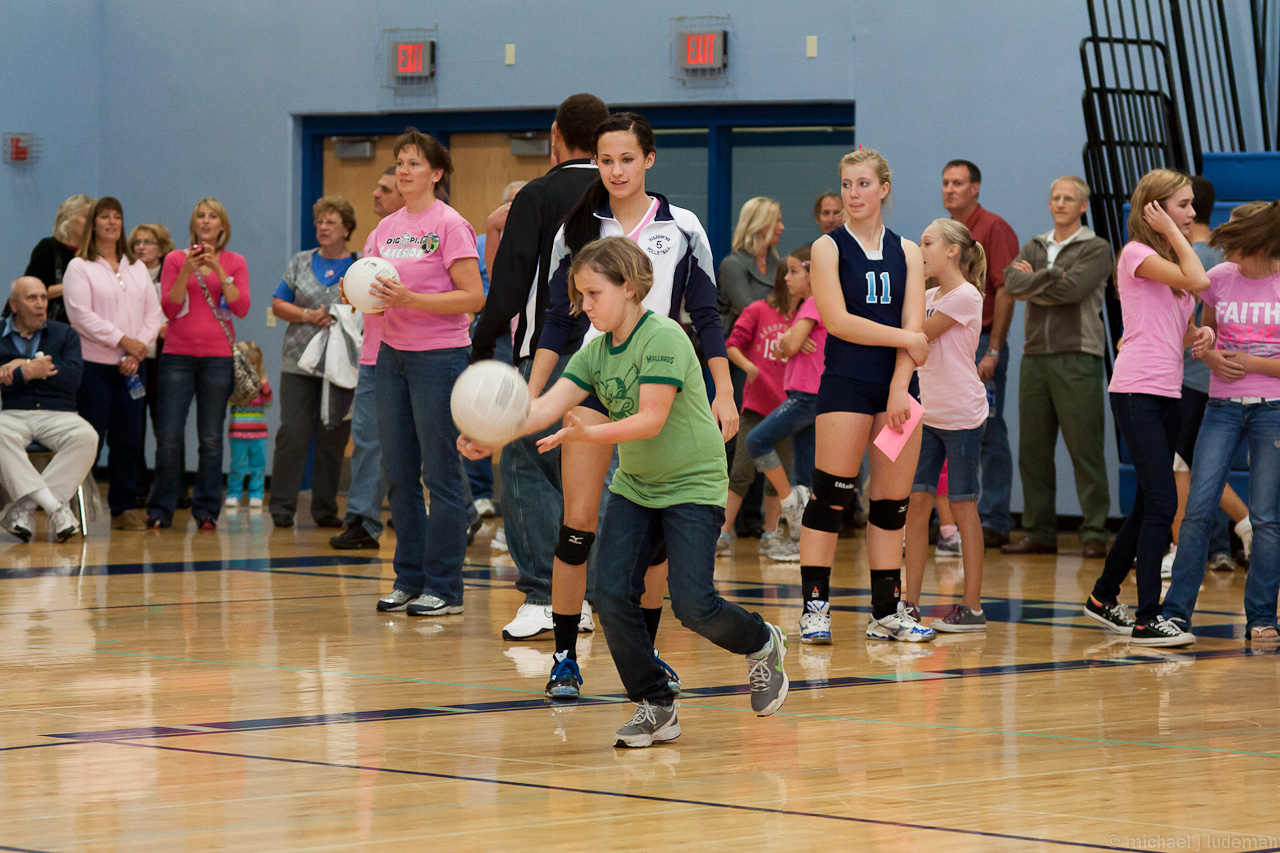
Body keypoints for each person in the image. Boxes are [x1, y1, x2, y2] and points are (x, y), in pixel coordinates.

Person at [459, 237, 788, 747]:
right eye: (580, 295)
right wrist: (493, 434)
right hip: (638, 488)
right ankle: (655, 702)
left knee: (694, 605)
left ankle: (762, 640)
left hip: (693, 485)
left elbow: (651, 419)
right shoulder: (594, 352)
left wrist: (587, 435)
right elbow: (544, 407)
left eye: (594, 294)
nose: (584, 306)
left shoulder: (665, 337)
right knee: (612, 596)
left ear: (630, 288)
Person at [529, 112, 738, 698]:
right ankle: (564, 656)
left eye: (627, 158)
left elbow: (706, 315)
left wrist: (723, 391)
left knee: (654, 536)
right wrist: (533, 395)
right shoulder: (576, 229)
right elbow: (556, 320)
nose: (616, 170)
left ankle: (643, 658)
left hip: (658, 384)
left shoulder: (683, 226)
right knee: (579, 523)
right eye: (605, 160)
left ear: (649, 159)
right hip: (593, 380)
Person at [468, 93, 611, 635]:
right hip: (615, 356)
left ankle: (544, 596)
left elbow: (508, 281)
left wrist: (482, 345)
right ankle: (593, 596)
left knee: (525, 463)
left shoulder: (539, 193)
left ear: (556, 135)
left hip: (548, 354)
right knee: (597, 472)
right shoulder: (623, 194)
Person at [795, 148, 932, 645]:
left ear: (884, 189)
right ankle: (815, 608)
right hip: (847, 383)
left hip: (898, 385)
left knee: (891, 505)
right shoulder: (827, 248)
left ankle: (886, 613)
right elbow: (838, 321)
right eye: (846, 184)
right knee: (831, 497)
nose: (852, 194)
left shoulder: (908, 250)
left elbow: (914, 321)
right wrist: (907, 339)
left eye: (862, 184)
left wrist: (899, 385)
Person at [1081, 169, 1211, 647]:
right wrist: (1174, 232)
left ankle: (1103, 596)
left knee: (1146, 504)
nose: (1192, 213)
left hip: (1167, 392)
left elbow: (1178, 328)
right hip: (1136, 390)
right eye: (1182, 205)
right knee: (1163, 501)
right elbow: (1199, 278)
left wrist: (1200, 334)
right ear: (1155, 209)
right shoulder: (1136, 253)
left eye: (1192, 205)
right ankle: (1147, 617)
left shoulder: (1170, 263)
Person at [364, 128, 484, 617]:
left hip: (439, 357)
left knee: (441, 474)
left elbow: (473, 297)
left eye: (413, 163)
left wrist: (411, 299)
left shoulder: (450, 224)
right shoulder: (385, 228)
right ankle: (408, 580)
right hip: (390, 355)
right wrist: (356, 296)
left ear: (436, 173)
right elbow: (369, 284)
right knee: (398, 474)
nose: (403, 171)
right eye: (399, 163)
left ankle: (445, 588)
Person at [1162, 201, 1280, 642]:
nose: (1225, 248)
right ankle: (1176, 614)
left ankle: (1262, 617)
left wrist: (1250, 363)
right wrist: (1209, 354)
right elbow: (1204, 333)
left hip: (1273, 409)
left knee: (1266, 518)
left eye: (1235, 240)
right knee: (1197, 508)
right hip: (1222, 407)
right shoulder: (1219, 278)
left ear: (1258, 243)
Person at [1001, 176, 1114, 558]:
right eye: (1056, 197)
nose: (1061, 203)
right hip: (1034, 355)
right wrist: (1048, 277)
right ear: (1049, 203)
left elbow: (1073, 291)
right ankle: (1039, 531)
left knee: (1086, 449)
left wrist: (1033, 281)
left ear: (1083, 205)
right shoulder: (1035, 244)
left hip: (1078, 354)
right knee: (1032, 451)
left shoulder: (1096, 247)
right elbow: (1011, 283)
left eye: (1069, 198)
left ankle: (1094, 531)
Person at [903, 220, 990, 632]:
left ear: (952, 251)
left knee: (962, 505)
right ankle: (909, 604)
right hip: (928, 414)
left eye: (927, 243)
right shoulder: (927, 295)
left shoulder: (966, 296)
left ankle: (972, 607)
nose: (920, 250)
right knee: (916, 503)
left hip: (961, 415)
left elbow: (918, 336)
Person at [1164, 176, 1251, 575]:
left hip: (1196, 376)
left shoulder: (1193, 259)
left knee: (1185, 464)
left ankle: (1231, 529)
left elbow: (1189, 323)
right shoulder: (1225, 255)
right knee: (1189, 463)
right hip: (1211, 375)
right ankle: (1207, 543)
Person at [146, 198, 250, 531]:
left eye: (212, 216)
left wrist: (219, 270)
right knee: (168, 437)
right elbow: (170, 308)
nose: (206, 221)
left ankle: (206, 510)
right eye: (200, 216)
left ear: (222, 226)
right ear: (193, 224)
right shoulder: (175, 259)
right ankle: (161, 508)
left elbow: (241, 308)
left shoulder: (235, 262)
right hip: (177, 356)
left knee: (211, 438)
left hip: (218, 358)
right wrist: (186, 271)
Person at [62, 197, 163, 531]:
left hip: (133, 366)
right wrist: (123, 340)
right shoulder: (80, 266)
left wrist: (137, 350)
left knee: (129, 440)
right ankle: (73, 505)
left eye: (117, 217)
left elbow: (153, 313)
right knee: (89, 438)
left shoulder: (136, 267)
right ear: (93, 224)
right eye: (104, 216)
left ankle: (123, 507)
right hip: (94, 367)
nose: (111, 222)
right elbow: (81, 316)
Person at [941, 160, 1019, 548]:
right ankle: (949, 522)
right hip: (945, 344)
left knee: (988, 429)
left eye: (958, 183)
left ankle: (994, 518)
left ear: (975, 188)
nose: (949, 189)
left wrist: (994, 349)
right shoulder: (944, 232)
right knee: (944, 429)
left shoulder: (993, 227)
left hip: (980, 342)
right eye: (945, 183)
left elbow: (1005, 289)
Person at [269, 195, 359, 529]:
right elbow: (279, 304)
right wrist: (308, 314)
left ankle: (325, 509)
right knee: (292, 433)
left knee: (332, 438)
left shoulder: (360, 264)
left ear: (346, 228)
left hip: (342, 366)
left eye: (331, 222)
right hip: (298, 363)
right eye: (319, 221)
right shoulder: (300, 262)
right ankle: (281, 507)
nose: (323, 227)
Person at [331, 168, 403, 550]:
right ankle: (361, 520)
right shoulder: (376, 236)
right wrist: (353, 293)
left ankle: (466, 515)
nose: (375, 193)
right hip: (374, 355)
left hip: (417, 355)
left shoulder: (431, 232)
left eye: (385, 188)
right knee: (366, 441)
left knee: (427, 443)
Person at [743, 245, 827, 561]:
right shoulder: (810, 306)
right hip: (804, 394)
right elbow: (785, 346)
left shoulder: (814, 303)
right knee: (806, 474)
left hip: (808, 394)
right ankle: (801, 541)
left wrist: (789, 340)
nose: (786, 278)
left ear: (811, 274)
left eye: (793, 271)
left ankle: (788, 501)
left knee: (756, 440)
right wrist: (788, 341)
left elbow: (788, 346)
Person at [0, 277, 96, 541]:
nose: (41, 304)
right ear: (14, 305)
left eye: (44, 297)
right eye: (32, 298)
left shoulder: (65, 333)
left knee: (86, 436)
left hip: (59, 412)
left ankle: (23, 509)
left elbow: (72, 379)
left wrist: (20, 367)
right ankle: (56, 508)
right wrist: (27, 372)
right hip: (13, 413)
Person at [722, 258, 798, 561]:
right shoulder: (758, 310)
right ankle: (722, 532)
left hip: (787, 409)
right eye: (789, 274)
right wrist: (748, 366)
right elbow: (732, 345)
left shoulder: (805, 317)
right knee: (741, 471)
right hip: (756, 406)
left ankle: (770, 534)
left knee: (778, 474)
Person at [466, 180, 526, 519]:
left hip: (524, 337)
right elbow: (469, 289)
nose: (515, 208)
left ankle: (516, 495)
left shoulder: (539, 240)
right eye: (511, 201)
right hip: (489, 334)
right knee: (482, 409)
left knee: (518, 409)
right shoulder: (479, 244)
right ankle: (479, 493)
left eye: (523, 201)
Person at [129, 223, 178, 503]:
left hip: (163, 357)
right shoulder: (126, 274)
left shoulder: (172, 273)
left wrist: (168, 326)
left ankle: (171, 489)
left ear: (161, 248)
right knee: (133, 428)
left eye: (147, 242)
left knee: (166, 427)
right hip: (135, 357)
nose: (141, 247)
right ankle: (137, 488)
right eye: (137, 242)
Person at [20, 194, 95, 323]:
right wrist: (70, 287)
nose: (91, 224)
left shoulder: (94, 254)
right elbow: (30, 292)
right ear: (69, 219)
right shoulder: (48, 248)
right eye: (86, 217)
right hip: (53, 326)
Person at [718, 197, 784, 338]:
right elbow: (749, 311)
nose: (782, 227)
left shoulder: (778, 264)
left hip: (773, 341)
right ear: (760, 225)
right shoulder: (733, 264)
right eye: (777, 221)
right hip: (739, 344)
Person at [226, 342, 272, 508]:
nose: (251, 367)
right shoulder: (235, 384)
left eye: (254, 363)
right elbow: (229, 401)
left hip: (259, 434)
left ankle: (256, 494)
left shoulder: (260, 383)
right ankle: (233, 493)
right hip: (238, 433)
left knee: (258, 466)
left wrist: (265, 386)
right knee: (237, 466)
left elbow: (268, 402)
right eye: (247, 364)